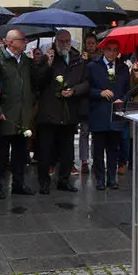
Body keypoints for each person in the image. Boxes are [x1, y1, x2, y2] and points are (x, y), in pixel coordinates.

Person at [0, 28, 44, 195]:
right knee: (0, 152)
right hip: (6, 113)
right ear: (11, 42)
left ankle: (19, 184)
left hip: (23, 113)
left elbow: (35, 82)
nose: (25, 42)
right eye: (22, 39)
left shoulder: (26, 60)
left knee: (20, 151)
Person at [35, 30, 88, 194]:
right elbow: (37, 81)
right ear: (55, 41)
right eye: (61, 41)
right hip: (49, 112)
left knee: (67, 151)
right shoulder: (46, 57)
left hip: (68, 112)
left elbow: (86, 82)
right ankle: (44, 182)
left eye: (67, 41)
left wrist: (74, 90)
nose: (64, 44)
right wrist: (47, 65)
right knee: (45, 151)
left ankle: (64, 180)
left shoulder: (77, 60)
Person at [86, 37, 131, 190]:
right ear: (103, 50)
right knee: (98, 149)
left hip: (116, 114)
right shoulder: (93, 66)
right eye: (109, 49)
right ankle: (100, 178)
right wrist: (100, 93)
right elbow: (86, 89)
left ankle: (112, 178)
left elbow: (127, 90)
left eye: (115, 50)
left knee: (114, 149)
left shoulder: (123, 68)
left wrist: (122, 99)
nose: (112, 53)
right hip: (98, 112)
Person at [77, 33, 99, 176]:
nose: (90, 46)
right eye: (88, 43)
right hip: (85, 100)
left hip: (96, 99)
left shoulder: (100, 59)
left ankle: (96, 161)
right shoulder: (80, 60)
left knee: (96, 133)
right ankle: (84, 161)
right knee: (84, 132)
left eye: (93, 43)